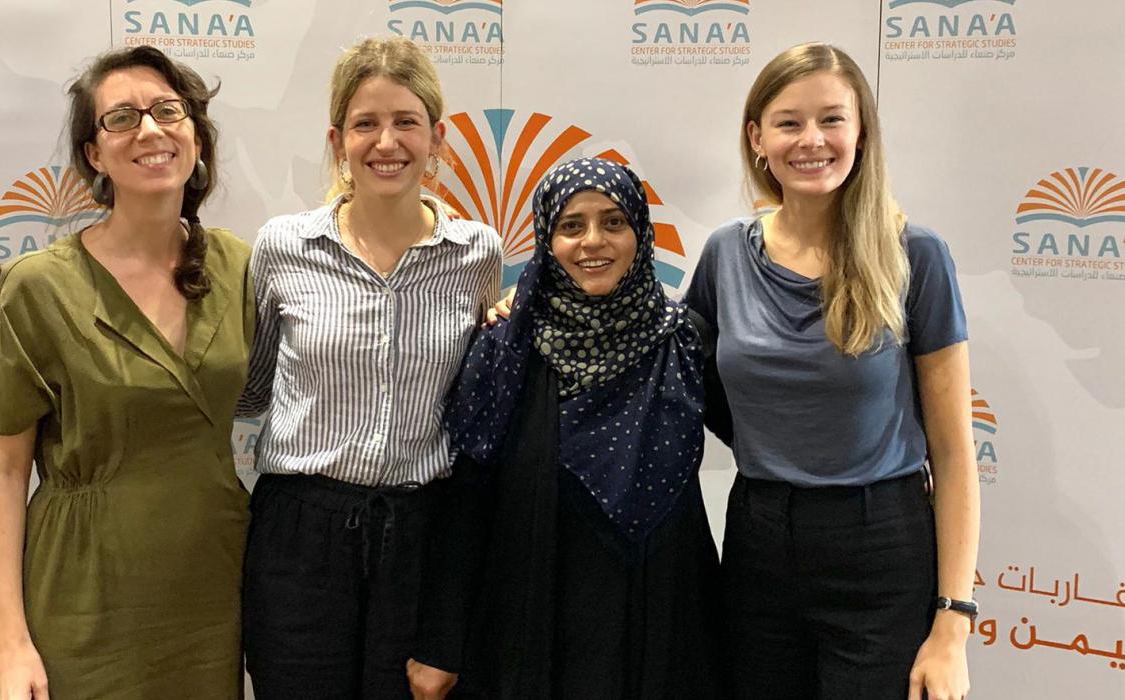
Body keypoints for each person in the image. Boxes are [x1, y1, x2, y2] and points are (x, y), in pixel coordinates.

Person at [684, 43, 979, 700]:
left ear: (862, 131)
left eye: (832, 119)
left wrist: (952, 623)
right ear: (756, 137)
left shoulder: (915, 255)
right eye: (789, 122)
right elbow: (681, 377)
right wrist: (517, 305)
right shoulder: (725, 254)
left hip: (881, 546)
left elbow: (956, 453)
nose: (811, 140)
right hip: (758, 539)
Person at [0, 45, 253, 699]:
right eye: (122, 118)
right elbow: (0, 469)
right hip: (84, 603)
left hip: (209, 592)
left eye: (168, 111)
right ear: (94, 154)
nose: (150, 130)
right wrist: (10, 644)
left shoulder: (239, 267)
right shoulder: (39, 287)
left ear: (196, 136)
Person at [237, 36, 502, 700]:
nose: (387, 142)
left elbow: (479, 396)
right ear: (338, 140)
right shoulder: (283, 247)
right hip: (301, 536)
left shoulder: (476, 254)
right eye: (366, 123)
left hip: (424, 534)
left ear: (436, 136)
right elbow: (251, 389)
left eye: (406, 121)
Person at [408, 157, 728, 700]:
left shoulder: (683, 338)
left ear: (640, 232)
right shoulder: (506, 346)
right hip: (537, 604)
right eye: (571, 226)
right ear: (546, 238)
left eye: (614, 222)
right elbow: (468, 501)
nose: (593, 242)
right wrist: (440, 642)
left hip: (661, 610)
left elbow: (763, 432)